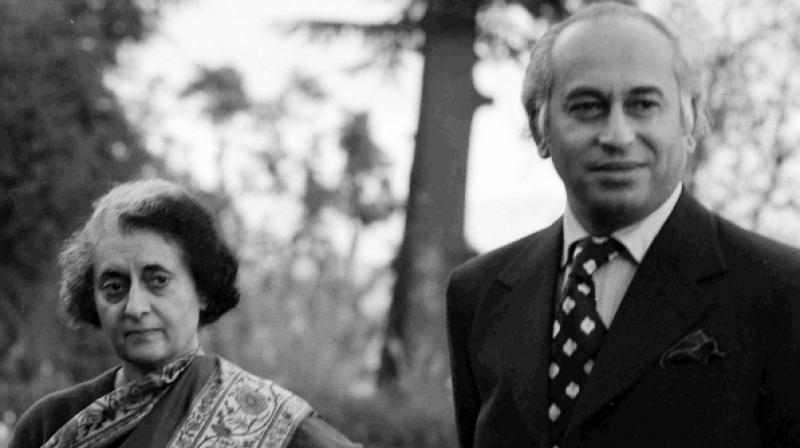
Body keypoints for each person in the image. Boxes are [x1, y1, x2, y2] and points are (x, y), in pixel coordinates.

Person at [446, 2, 800, 447]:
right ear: (539, 128)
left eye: (643, 104)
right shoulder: (477, 295)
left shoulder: (782, 291)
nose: (617, 135)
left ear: (690, 118)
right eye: (587, 106)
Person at [10, 179, 361, 448]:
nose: (134, 307)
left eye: (158, 280)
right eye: (114, 287)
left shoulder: (265, 418)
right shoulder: (48, 424)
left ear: (203, 290)